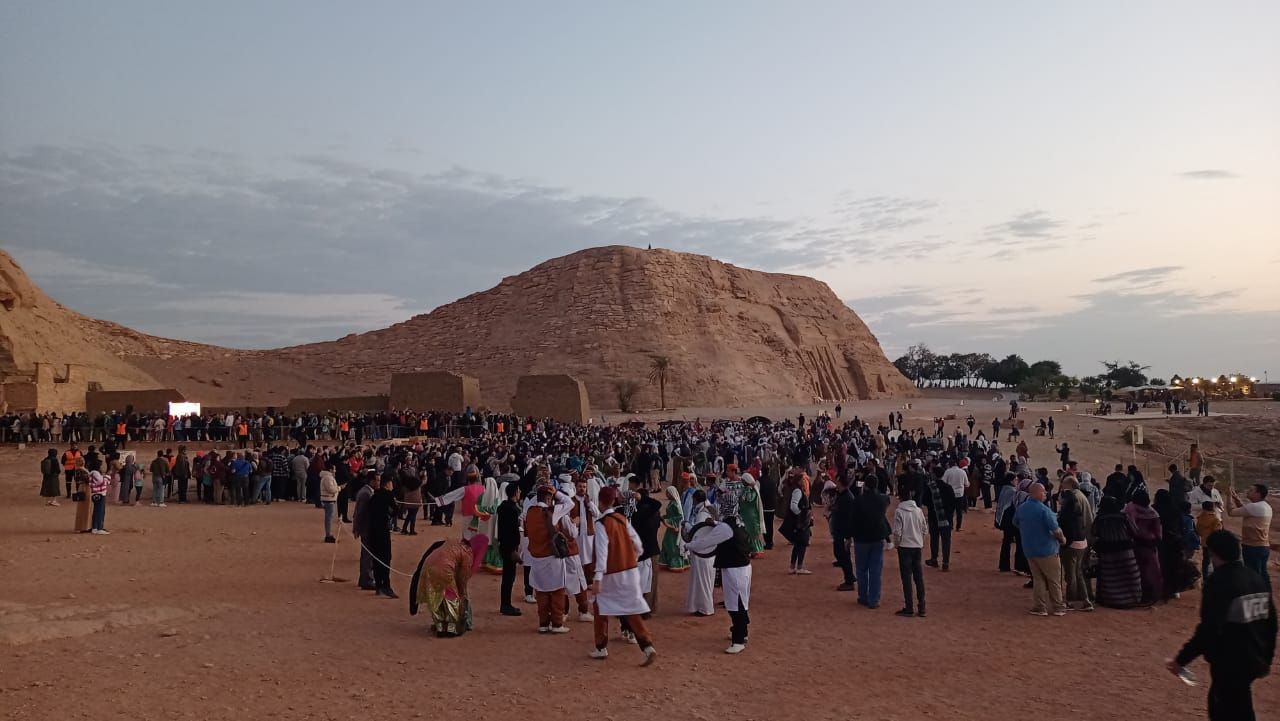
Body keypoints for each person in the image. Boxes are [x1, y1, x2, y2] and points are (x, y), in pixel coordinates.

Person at [1169, 530, 1276, 721]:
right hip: (1254, 657)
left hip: (1230, 661)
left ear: (1214, 554)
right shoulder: (1255, 578)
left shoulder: (1220, 582)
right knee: (1241, 706)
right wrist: (1265, 658)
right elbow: (1271, 624)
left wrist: (1181, 660)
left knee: (1224, 709)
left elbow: (1209, 629)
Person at [588, 487, 658, 665]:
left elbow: (602, 553)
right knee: (630, 608)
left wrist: (597, 578)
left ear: (601, 502)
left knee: (599, 607)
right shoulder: (622, 519)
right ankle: (647, 645)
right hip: (630, 571)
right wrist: (630, 558)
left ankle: (601, 646)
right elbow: (638, 545)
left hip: (611, 574)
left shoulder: (601, 523)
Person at [684, 492, 754, 654]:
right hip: (742, 567)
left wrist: (689, 545)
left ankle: (738, 640)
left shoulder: (725, 528)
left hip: (734, 569)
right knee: (740, 603)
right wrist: (714, 522)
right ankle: (742, 633)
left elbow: (706, 542)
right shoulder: (738, 521)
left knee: (735, 605)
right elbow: (723, 528)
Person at [411, 534, 489, 636]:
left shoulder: (455, 542)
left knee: (436, 596)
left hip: (427, 566)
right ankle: (451, 628)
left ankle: (440, 626)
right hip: (444, 570)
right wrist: (462, 595)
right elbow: (462, 580)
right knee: (451, 597)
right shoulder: (468, 553)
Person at [523, 484, 572, 634]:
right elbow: (570, 503)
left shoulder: (529, 512)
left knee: (542, 592)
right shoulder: (552, 511)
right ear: (549, 498)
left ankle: (543, 623)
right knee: (558, 591)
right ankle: (557, 624)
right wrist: (556, 492)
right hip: (552, 557)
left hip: (536, 557)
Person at [1015, 482, 1067, 616]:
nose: (1045, 494)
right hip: (1047, 549)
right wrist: (1062, 540)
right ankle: (1058, 606)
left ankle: (1040, 606)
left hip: (1030, 549)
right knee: (1054, 579)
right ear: (1036, 493)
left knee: (1038, 579)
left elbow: (1015, 522)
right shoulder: (1044, 510)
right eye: (1043, 492)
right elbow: (1056, 530)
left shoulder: (1022, 508)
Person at [1090, 496, 1144, 608]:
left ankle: (1111, 600)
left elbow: (1094, 533)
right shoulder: (1124, 517)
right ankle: (1132, 599)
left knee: (1109, 577)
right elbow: (1135, 531)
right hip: (1126, 552)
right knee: (1129, 576)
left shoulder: (1100, 519)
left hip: (1107, 553)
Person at [850, 479, 891, 609]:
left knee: (861, 569)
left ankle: (863, 597)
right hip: (877, 537)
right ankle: (874, 599)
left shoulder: (858, 500)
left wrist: (848, 537)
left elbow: (853, 519)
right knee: (875, 570)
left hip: (861, 538)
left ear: (865, 486)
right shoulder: (883, 499)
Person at [1057, 476, 1095, 611]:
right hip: (1083, 539)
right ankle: (1086, 600)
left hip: (1073, 541)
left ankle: (1071, 601)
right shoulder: (1081, 496)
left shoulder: (1072, 499)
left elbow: (1068, 523)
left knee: (1071, 575)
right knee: (1079, 572)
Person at [1227, 484, 1273, 585]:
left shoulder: (1254, 507)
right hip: (1263, 546)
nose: (1248, 491)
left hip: (1252, 547)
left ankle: (1256, 595)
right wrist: (1236, 498)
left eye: (1251, 490)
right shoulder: (1265, 506)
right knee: (1263, 573)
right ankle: (1266, 596)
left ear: (1258, 494)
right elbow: (1245, 510)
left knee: (1253, 574)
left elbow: (1231, 512)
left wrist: (1229, 496)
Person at [892, 484, 927, 617]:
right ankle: (922, 607)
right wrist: (920, 540)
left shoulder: (899, 511)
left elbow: (897, 532)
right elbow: (924, 529)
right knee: (918, 577)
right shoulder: (918, 511)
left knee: (906, 577)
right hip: (917, 546)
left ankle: (909, 606)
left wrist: (897, 544)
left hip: (904, 547)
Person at [1125, 490, 1164, 604]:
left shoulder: (1130, 509)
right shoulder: (1153, 513)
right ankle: (1152, 595)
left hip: (1135, 544)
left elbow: (1128, 526)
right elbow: (1158, 533)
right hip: (1150, 545)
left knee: (1137, 571)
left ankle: (1138, 595)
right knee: (1152, 571)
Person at [365, 474, 399, 598]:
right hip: (383, 531)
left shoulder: (374, 495)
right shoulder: (388, 495)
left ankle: (379, 585)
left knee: (376, 558)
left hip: (373, 531)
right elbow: (396, 511)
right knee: (386, 558)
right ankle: (386, 585)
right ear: (388, 483)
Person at [683, 489, 716, 615]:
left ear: (696, 499)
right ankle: (701, 606)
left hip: (703, 552)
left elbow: (698, 533)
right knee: (706, 581)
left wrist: (686, 525)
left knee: (702, 582)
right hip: (710, 551)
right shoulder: (710, 508)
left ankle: (705, 608)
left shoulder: (702, 514)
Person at [496, 482, 523, 616]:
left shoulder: (502, 507)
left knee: (507, 576)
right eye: (519, 491)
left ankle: (505, 603)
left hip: (503, 544)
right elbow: (513, 532)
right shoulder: (513, 510)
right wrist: (514, 550)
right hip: (510, 546)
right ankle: (506, 605)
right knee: (509, 577)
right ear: (515, 493)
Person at [779, 472, 813, 574]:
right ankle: (799, 567)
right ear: (798, 481)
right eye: (802, 479)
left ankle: (792, 566)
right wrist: (802, 516)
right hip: (800, 523)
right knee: (802, 543)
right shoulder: (797, 491)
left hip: (800, 523)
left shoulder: (797, 490)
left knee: (798, 544)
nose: (804, 481)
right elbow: (793, 506)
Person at [351, 472, 378, 591]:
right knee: (368, 555)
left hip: (367, 527)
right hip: (366, 528)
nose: (378, 482)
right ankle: (366, 580)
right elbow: (359, 513)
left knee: (366, 555)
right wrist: (357, 528)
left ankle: (364, 579)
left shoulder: (366, 492)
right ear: (371, 481)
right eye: (377, 480)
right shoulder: (366, 493)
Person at [658, 486, 688, 572]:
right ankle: (668, 562)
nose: (666, 494)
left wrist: (667, 520)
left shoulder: (675, 504)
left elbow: (679, 517)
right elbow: (670, 515)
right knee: (667, 543)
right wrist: (663, 517)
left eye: (668, 493)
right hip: (671, 528)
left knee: (673, 546)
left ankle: (676, 564)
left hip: (675, 529)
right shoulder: (671, 502)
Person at [1197, 501, 1225, 580]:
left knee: (1206, 561)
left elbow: (1198, 530)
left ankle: (1205, 578)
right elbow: (1217, 532)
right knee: (1216, 560)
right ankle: (1216, 577)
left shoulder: (1201, 517)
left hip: (1205, 542)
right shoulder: (1215, 519)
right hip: (1214, 543)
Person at [319, 464, 339, 543]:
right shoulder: (328, 477)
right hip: (328, 499)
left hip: (328, 499)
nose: (335, 471)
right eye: (334, 469)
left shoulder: (327, 477)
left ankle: (328, 534)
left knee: (329, 518)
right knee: (329, 518)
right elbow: (331, 489)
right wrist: (339, 488)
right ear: (330, 470)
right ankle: (328, 535)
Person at [88, 469, 110, 535]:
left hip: (94, 495)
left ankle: (94, 527)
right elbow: (102, 481)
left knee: (96, 511)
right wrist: (106, 476)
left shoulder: (91, 476)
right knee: (100, 511)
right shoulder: (96, 474)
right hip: (100, 494)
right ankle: (100, 528)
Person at [72, 460, 92, 533]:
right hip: (84, 487)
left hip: (85, 487)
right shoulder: (79, 470)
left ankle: (85, 526)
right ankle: (83, 527)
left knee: (85, 507)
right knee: (84, 507)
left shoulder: (81, 469)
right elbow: (80, 479)